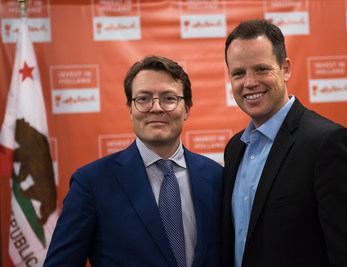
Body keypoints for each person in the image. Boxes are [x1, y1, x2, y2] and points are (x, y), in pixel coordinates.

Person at [221, 19, 347, 267]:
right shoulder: (235, 148)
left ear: (285, 68)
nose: (249, 82)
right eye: (238, 73)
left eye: (262, 69)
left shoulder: (329, 144)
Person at [44, 55, 223, 267]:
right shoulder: (91, 182)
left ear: (187, 109)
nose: (156, 107)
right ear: (130, 109)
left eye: (169, 98)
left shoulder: (216, 176)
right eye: (143, 99)